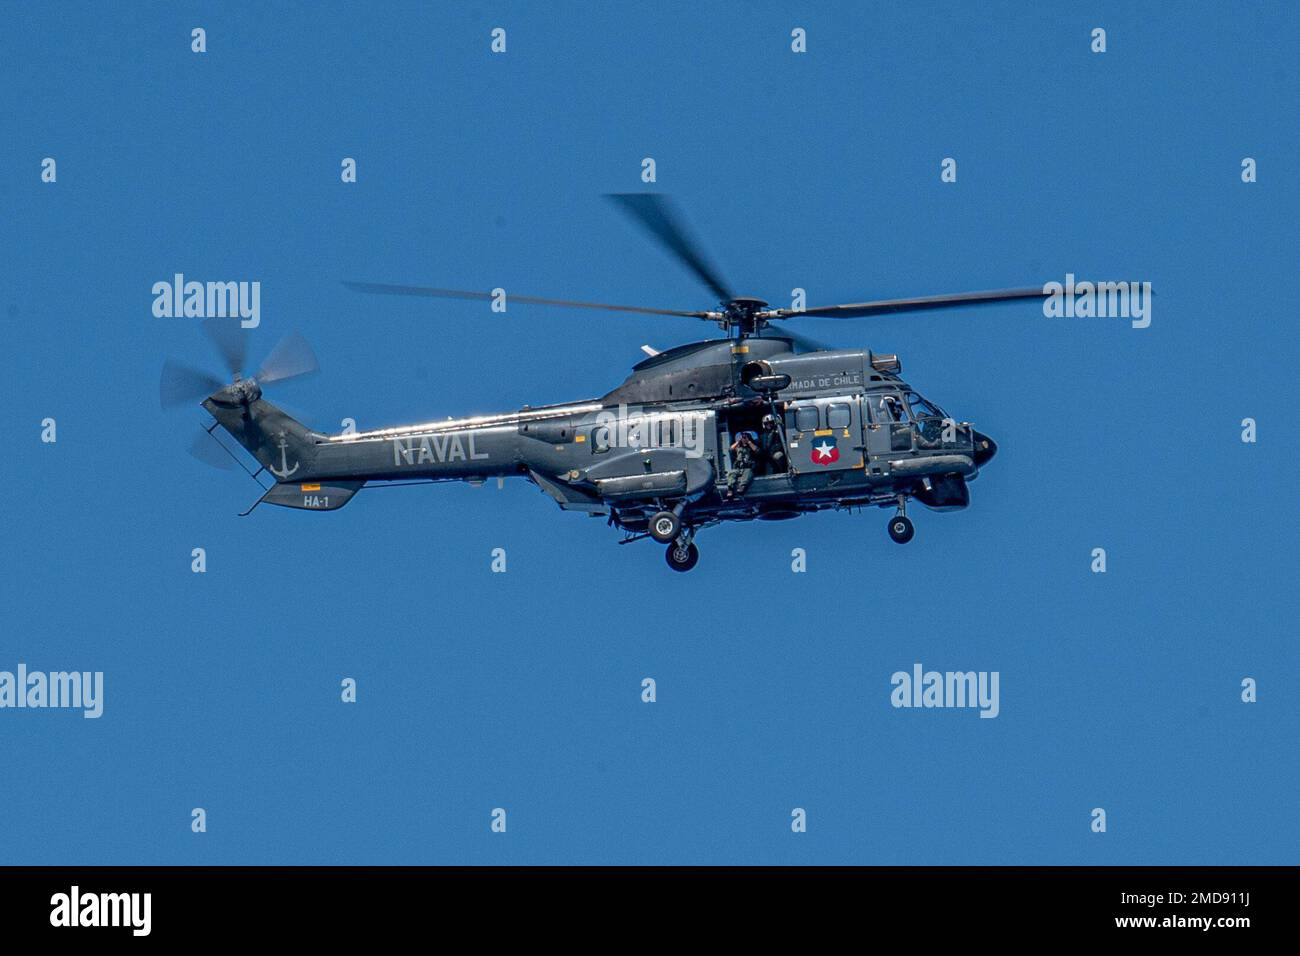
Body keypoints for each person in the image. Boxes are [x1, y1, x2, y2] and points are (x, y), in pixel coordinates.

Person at [726, 431, 758, 498]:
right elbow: (730, 449)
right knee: (732, 473)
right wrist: (738, 441)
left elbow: (757, 450)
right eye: (743, 437)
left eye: (745, 437)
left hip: (748, 468)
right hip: (738, 468)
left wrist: (749, 442)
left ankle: (742, 487)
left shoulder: (751, 447)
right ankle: (730, 489)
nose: (743, 439)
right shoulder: (738, 448)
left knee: (747, 473)